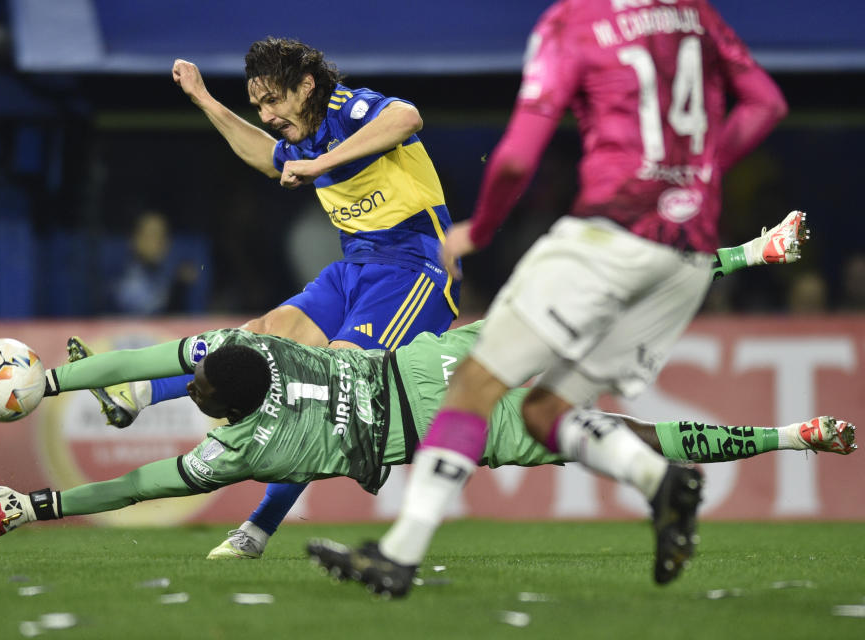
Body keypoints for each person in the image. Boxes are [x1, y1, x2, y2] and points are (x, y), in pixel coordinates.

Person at [308, 0, 791, 595]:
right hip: (686, 256)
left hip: (610, 236)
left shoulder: (575, 21)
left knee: (474, 385)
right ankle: (661, 481)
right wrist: (699, 176)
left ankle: (398, 556)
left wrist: (480, 230)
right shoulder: (696, 16)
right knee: (544, 411)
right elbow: (767, 103)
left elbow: (514, 156)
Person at [67, 212, 807, 559]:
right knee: (636, 437)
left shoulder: (260, 420)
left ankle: (752, 253)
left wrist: (51, 488)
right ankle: (791, 432)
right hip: (456, 389)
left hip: (451, 382)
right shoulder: (270, 393)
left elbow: (157, 469)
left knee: (609, 319)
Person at [0, 321, 854, 546]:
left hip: (462, 424)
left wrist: (39, 503)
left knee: (643, 444)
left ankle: (788, 431)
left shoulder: (246, 450)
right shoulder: (259, 347)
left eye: (195, 389)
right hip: (443, 368)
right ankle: (740, 282)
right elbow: (155, 355)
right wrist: (65, 380)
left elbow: (141, 487)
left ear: (219, 403)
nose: (190, 382)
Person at [159, 37, 462, 556]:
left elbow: (407, 117)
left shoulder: (348, 108)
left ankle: (256, 531)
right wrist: (206, 101)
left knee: (331, 388)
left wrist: (321, 165)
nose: (267, 114)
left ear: (307, 86)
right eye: (259, 105)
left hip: (414, 269)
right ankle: (137, 395)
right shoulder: (302, 134)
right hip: (355, 269)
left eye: (273, 100)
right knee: (260, 337)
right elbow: (268, 157)